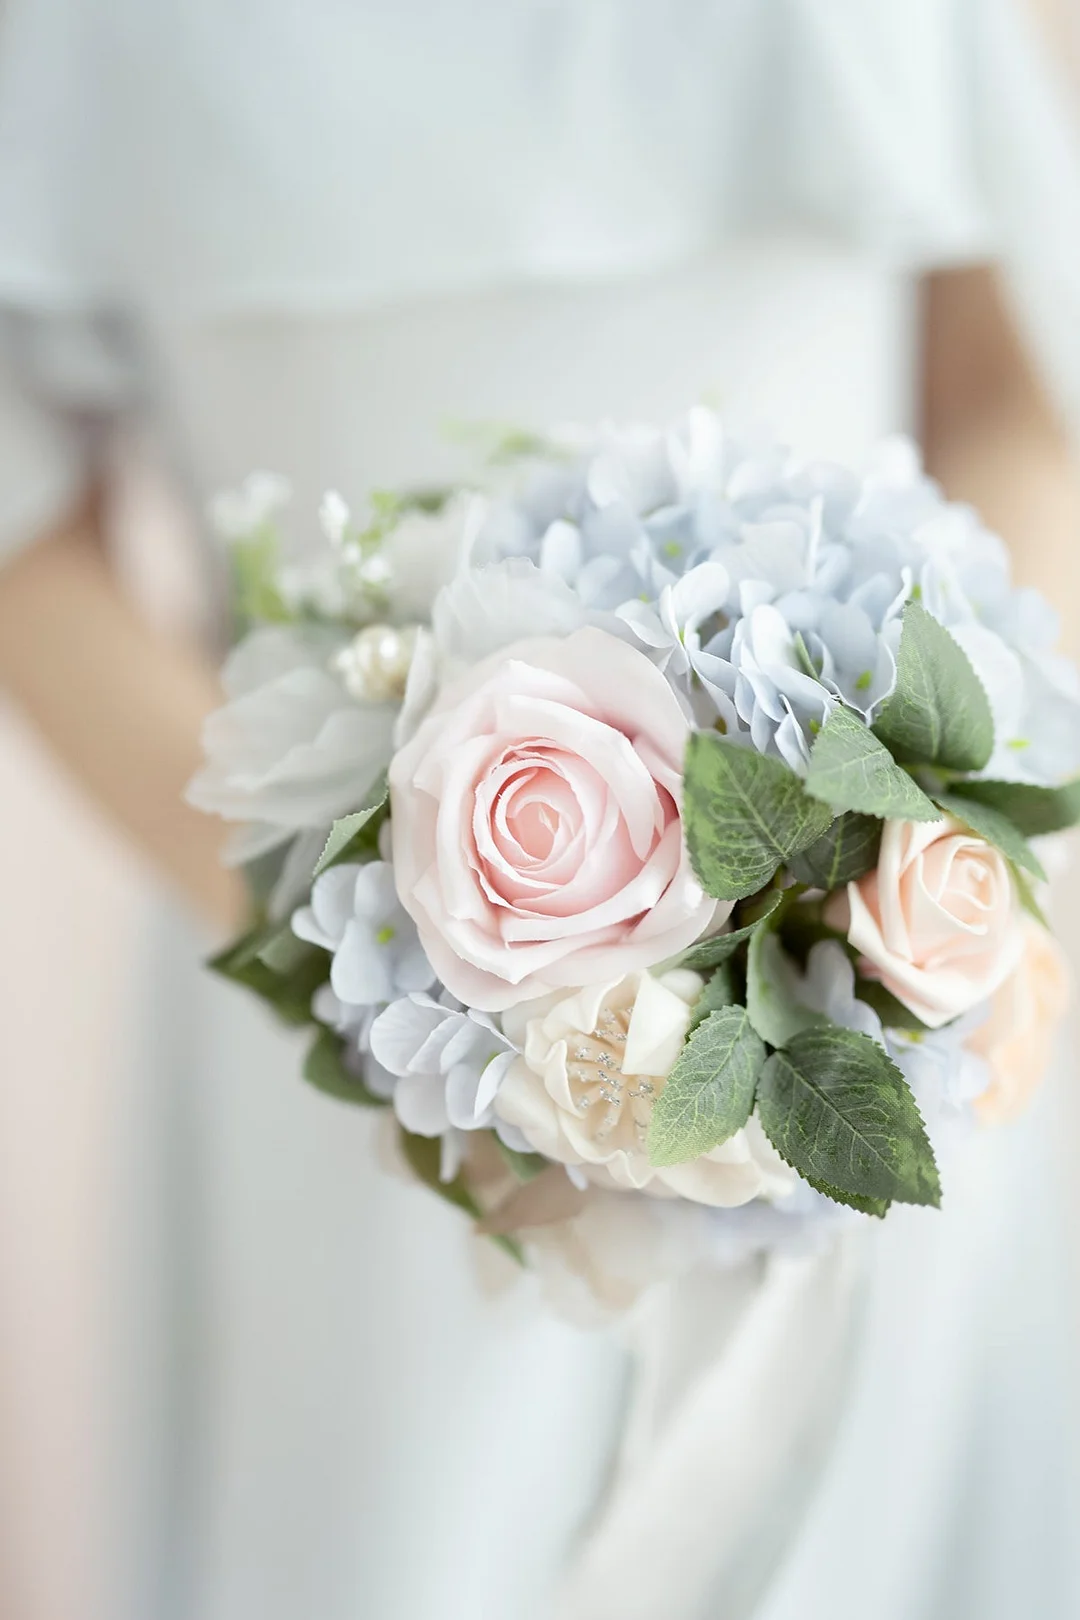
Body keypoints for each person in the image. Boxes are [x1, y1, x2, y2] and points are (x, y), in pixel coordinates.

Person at [0, 3, 1079, 1617]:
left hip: (869, 976)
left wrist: (958, 825)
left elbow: (1012, 388)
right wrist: (371, 951)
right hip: (360, 1013)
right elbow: (24, 545)